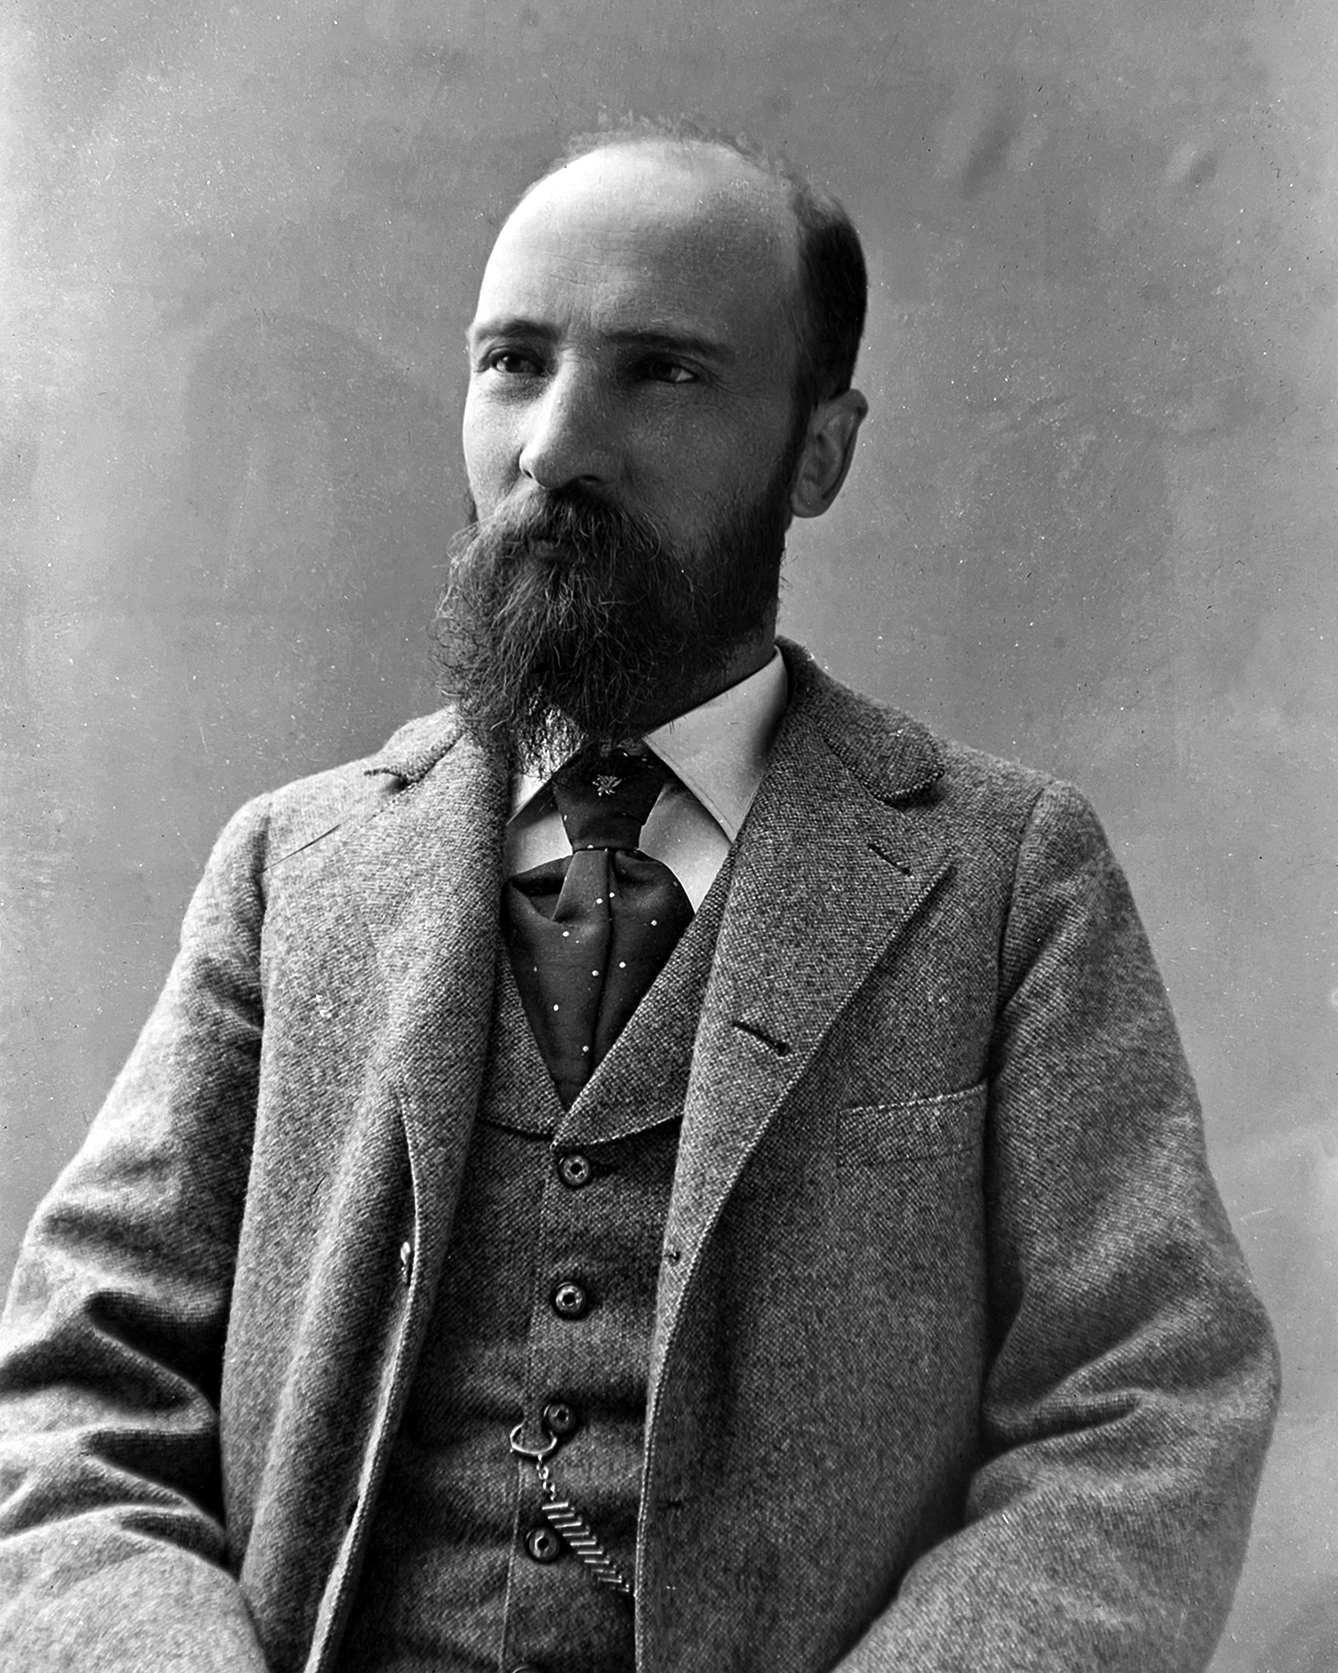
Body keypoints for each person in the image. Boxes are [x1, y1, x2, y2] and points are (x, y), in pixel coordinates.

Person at [0, 122, 1279, 1673]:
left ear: (819, 449)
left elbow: (1145, 1406)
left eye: (659, 372)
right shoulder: (294, 869)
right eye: (511, 363)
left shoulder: (1005, 877)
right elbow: (75, 1392)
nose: (554, 447)